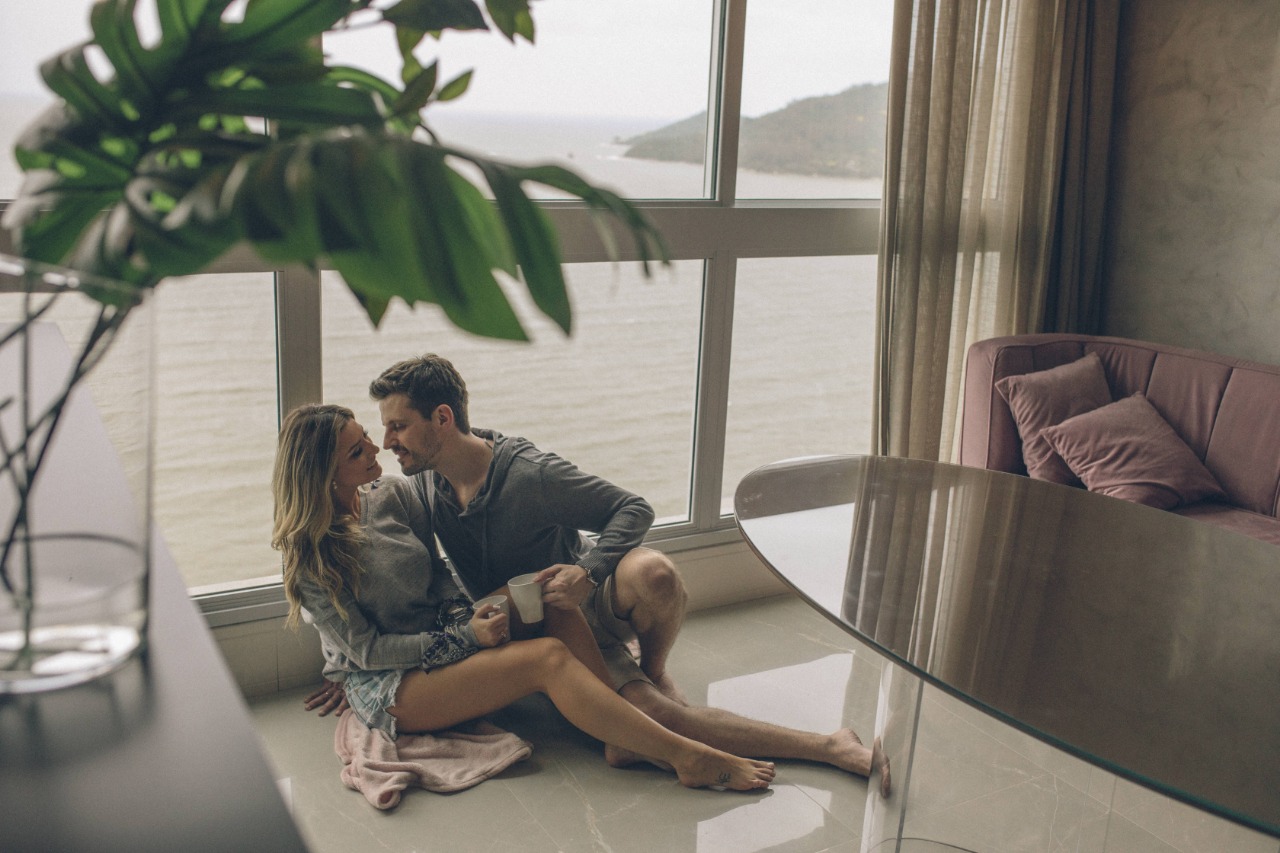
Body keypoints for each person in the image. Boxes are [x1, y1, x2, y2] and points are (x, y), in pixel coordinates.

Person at [360, 354, 878, 782]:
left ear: (443, 418)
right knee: (656, 717)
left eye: (398, 426)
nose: (387, 442)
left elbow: (634, 508)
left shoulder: (530, 474)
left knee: (656, 575)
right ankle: (821, 745)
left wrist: (588, 570)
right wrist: (349, 662)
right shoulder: (425, 486)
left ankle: (665, 673)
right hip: (537, 621)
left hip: (579, 600)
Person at [273, 403, 775, 793]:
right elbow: (367, 651)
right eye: (357, 451)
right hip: (397, 682)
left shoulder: (392, 496)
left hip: (446, 636)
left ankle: (622, 737)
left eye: (367, 437)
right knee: (547, 658)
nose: (376, 449)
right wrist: (462, 639)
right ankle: (686, 756)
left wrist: (465, 621)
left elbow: (439, 575)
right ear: (323, 474)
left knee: (542, 590)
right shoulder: (309, 555)